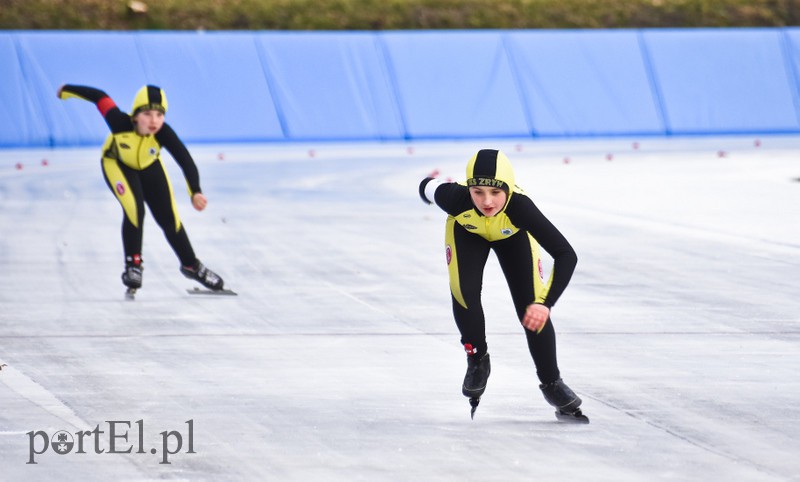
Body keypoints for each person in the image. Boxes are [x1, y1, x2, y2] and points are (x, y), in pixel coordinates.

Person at [419, 149, 586, 421]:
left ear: (508, 190)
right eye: (478, 192)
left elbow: (567, 254)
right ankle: (477, 358)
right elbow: (427, 187)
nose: (487, 202)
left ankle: (552, 382)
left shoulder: (521, 207)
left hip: (513, 237)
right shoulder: (454, 198)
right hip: (466, 233)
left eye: (496, 193)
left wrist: (545, 303)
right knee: (464, 291)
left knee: (531, 308)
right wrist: (425, 189)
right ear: (468, 189)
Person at [58, 84, 225, 293]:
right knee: (135, 211)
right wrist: (66, 90)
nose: (154, 120)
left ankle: (191, 265)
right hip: (117, 163)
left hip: (148, 165)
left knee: (170, 218)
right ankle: (133, 265)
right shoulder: (119, 121)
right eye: (147, 113)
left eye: (159, 114)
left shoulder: (163, 132)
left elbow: (185, 160)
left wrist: (196, 191)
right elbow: (99, 97)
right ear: (136, 115)